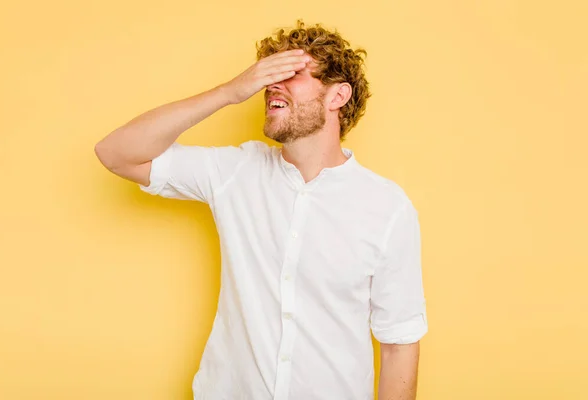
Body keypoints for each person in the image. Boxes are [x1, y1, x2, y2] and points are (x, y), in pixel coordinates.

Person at [95, 19, 428, 400]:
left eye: (293, 73)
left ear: (338, 96)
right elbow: (115, 152)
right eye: (269, 74)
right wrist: (228, 92)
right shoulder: (235, 171)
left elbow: (399, 342)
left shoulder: (387, 208)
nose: (271, 84)